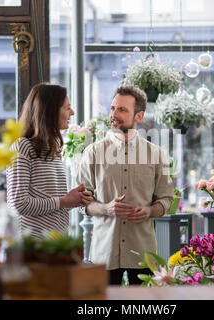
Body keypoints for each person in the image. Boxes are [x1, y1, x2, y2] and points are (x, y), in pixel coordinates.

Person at [76, 86, 174, 285]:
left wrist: (149, 211)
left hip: (142, 253)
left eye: (122, 110)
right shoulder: (92, 152)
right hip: (104, 253)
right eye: (113, 108)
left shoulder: (156, 154)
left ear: (139, 116)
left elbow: (166, 199)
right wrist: (105, 208)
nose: (114, 114)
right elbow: (82, 202)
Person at [6, 83, 93, 239]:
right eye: (67, 108)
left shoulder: (53, 148)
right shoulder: (22, 147)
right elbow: (18, 204)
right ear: (51, 111)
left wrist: (72, 199)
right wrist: (64, 201)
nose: (72, 113)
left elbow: (50, 203)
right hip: (31, 247)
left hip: (54, 245)